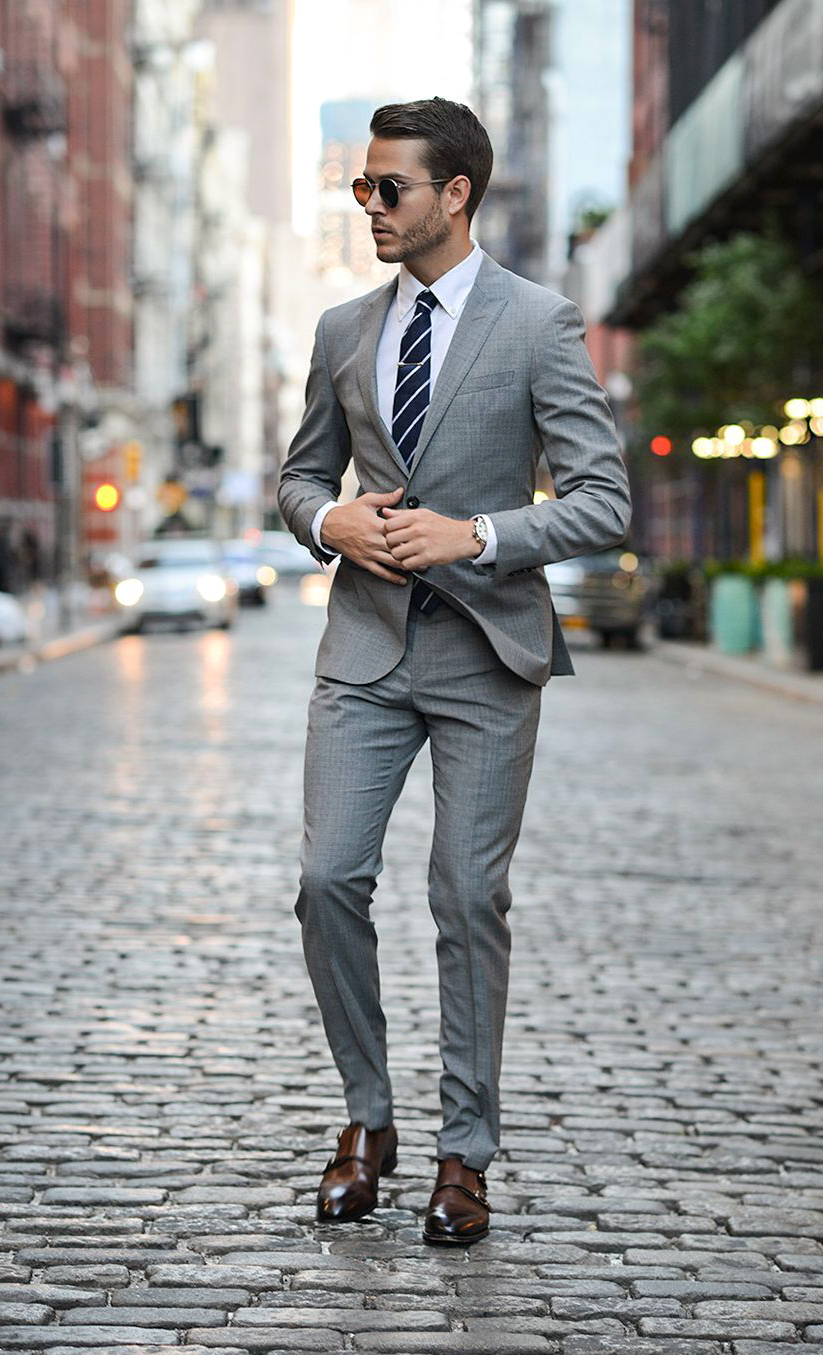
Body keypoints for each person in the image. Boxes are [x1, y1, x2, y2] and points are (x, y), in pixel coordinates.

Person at [277, 97, 631, 1246]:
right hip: (365, 647)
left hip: (486, 652)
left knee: (464, 898)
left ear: (455, 194)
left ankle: (461, 1149)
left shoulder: (537, 323)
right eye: (362, 188)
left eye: (390, 188)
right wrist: (331, 521)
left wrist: (473, 534)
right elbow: (297, 479)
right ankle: (366, 1120)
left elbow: (600, 499)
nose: (369, 205)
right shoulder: (341, 329)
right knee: (328, 878)